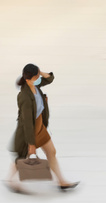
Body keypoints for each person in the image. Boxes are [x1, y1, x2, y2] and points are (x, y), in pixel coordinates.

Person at [5, 64, 79, 193]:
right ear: (31, 78)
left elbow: (50, 79)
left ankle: (61, 182)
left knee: (51, 152)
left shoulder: (36, 85)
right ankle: (10, 180)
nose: (39, 77)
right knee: (21, 158)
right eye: (37, 76)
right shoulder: (24, 96)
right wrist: (31, 144)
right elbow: (27, 122)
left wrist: (40, 72)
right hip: (30, 130)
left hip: (40, 126)